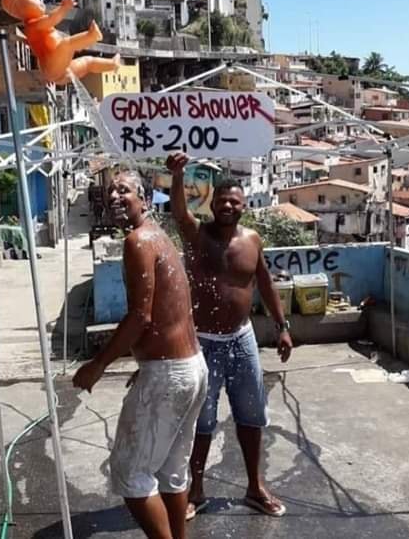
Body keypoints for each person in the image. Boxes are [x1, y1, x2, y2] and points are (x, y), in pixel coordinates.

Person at [73, 170, 208, 539]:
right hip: (190, 367)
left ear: (144, 199)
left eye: (124, 190)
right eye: (110, 192)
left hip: (171, 373)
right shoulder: (159, 236)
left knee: (130, 473)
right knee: (172, 470)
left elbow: (140, 316)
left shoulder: (138, 240)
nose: (114, 197)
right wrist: (148, 362)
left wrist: (98, 365)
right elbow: (168, 312)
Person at [166, 152, 293, 520]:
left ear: (244, 206)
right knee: (202, 421)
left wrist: (282, 327)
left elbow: (265, 283)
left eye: (234, 202)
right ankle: (196, 490)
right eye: (221, 200)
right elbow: (179, 213)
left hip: (242, 338)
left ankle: (255, 487)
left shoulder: (252, 239)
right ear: (212, 204)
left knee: (252, 415)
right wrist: (178, 175)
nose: (227, 206)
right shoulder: (196, 235)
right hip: (202, 341)